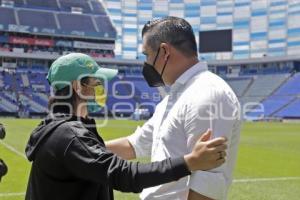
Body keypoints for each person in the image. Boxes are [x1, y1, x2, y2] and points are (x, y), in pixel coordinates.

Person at [25, 53, 228, 200]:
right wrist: (189, 162)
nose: (100, 88)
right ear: (78, 87)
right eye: (96, 82)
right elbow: (124, 175)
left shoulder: (63, 129)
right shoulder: (70, 136)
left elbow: (96, 157)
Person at [106, 17, 241, 200]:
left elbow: (208, 185)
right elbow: (134, 145)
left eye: (146, 55)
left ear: (164, 51)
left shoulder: (207, 93)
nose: (145, 63)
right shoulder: (174, 97)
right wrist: (77, 150)